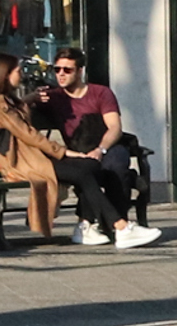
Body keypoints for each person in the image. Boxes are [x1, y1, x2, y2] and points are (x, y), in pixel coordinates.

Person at [34, 47, 158, 248]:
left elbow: (115, 128)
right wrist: (32, 98)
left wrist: (101, 149)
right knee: (85, 168)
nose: (61, 75)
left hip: (107, 145)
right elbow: (11, 112)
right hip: (77, 150)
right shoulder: (53, 97)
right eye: (57, 70)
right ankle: (113, 227)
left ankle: (112, 227)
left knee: (116, 167)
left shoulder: (100, 93)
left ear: (80, 71)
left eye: (67, 70)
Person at [0, 52, 64, 238]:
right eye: (18, 71)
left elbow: (13, 115)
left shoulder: (5, 99)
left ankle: (42, 218)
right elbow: (24, 131)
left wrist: (30, 99)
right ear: (5, 74)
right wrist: (60, 151)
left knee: (71, 171)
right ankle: (42, 220)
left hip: (23, 155)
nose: (22, 75)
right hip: (13, 159)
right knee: (62, 172)